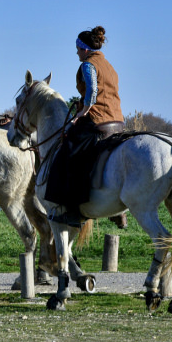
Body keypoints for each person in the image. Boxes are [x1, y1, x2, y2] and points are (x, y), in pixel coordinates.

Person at [45, 26, 127, 228]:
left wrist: (83, 112)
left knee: (68, 149)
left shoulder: (88, 65)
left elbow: (92, 91)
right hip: (117, 121)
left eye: (77, 49)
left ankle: (71, 209)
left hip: (97, 119)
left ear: (84, 49)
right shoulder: (109, 65)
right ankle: (118, 211)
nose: (76, 53)